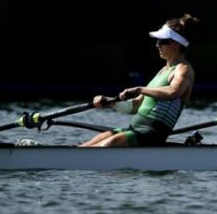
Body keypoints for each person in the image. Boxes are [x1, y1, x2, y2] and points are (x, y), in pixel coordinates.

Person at [80, 14, 199, 147]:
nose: (157, 45)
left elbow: (173, 92)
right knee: (95, 141)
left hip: (151, 134)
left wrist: (140, 89)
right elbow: (135, 106)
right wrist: (110, 103)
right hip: (135, 130)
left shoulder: (183, 69)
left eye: (161, 41)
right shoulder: (163, 71)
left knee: (108, 144)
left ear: (176, 43)